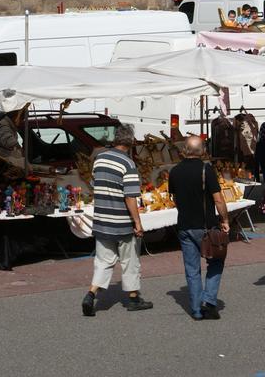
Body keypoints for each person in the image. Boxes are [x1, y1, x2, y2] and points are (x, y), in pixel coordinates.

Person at [81, 124, 153, 316]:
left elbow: (94, 185)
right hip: (121, 222)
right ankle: (133, 298)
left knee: (103, 261)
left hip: (102, 219)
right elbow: (130, 197)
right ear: (130, 142)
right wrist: (137, 222)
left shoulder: (99, 159)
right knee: (130, 261)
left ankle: (91, 293)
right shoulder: (128, 164)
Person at [169, 136, 229, 320]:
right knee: (216, 261)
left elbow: (175, 199)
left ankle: (196, 310)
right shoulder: (206, 169)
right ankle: (208, 300)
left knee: (192, 268)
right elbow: (218, 199)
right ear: (202, 151)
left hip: (185, 225)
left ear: (185, 150)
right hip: (206, 225)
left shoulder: (174, 171)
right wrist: (225, 220)